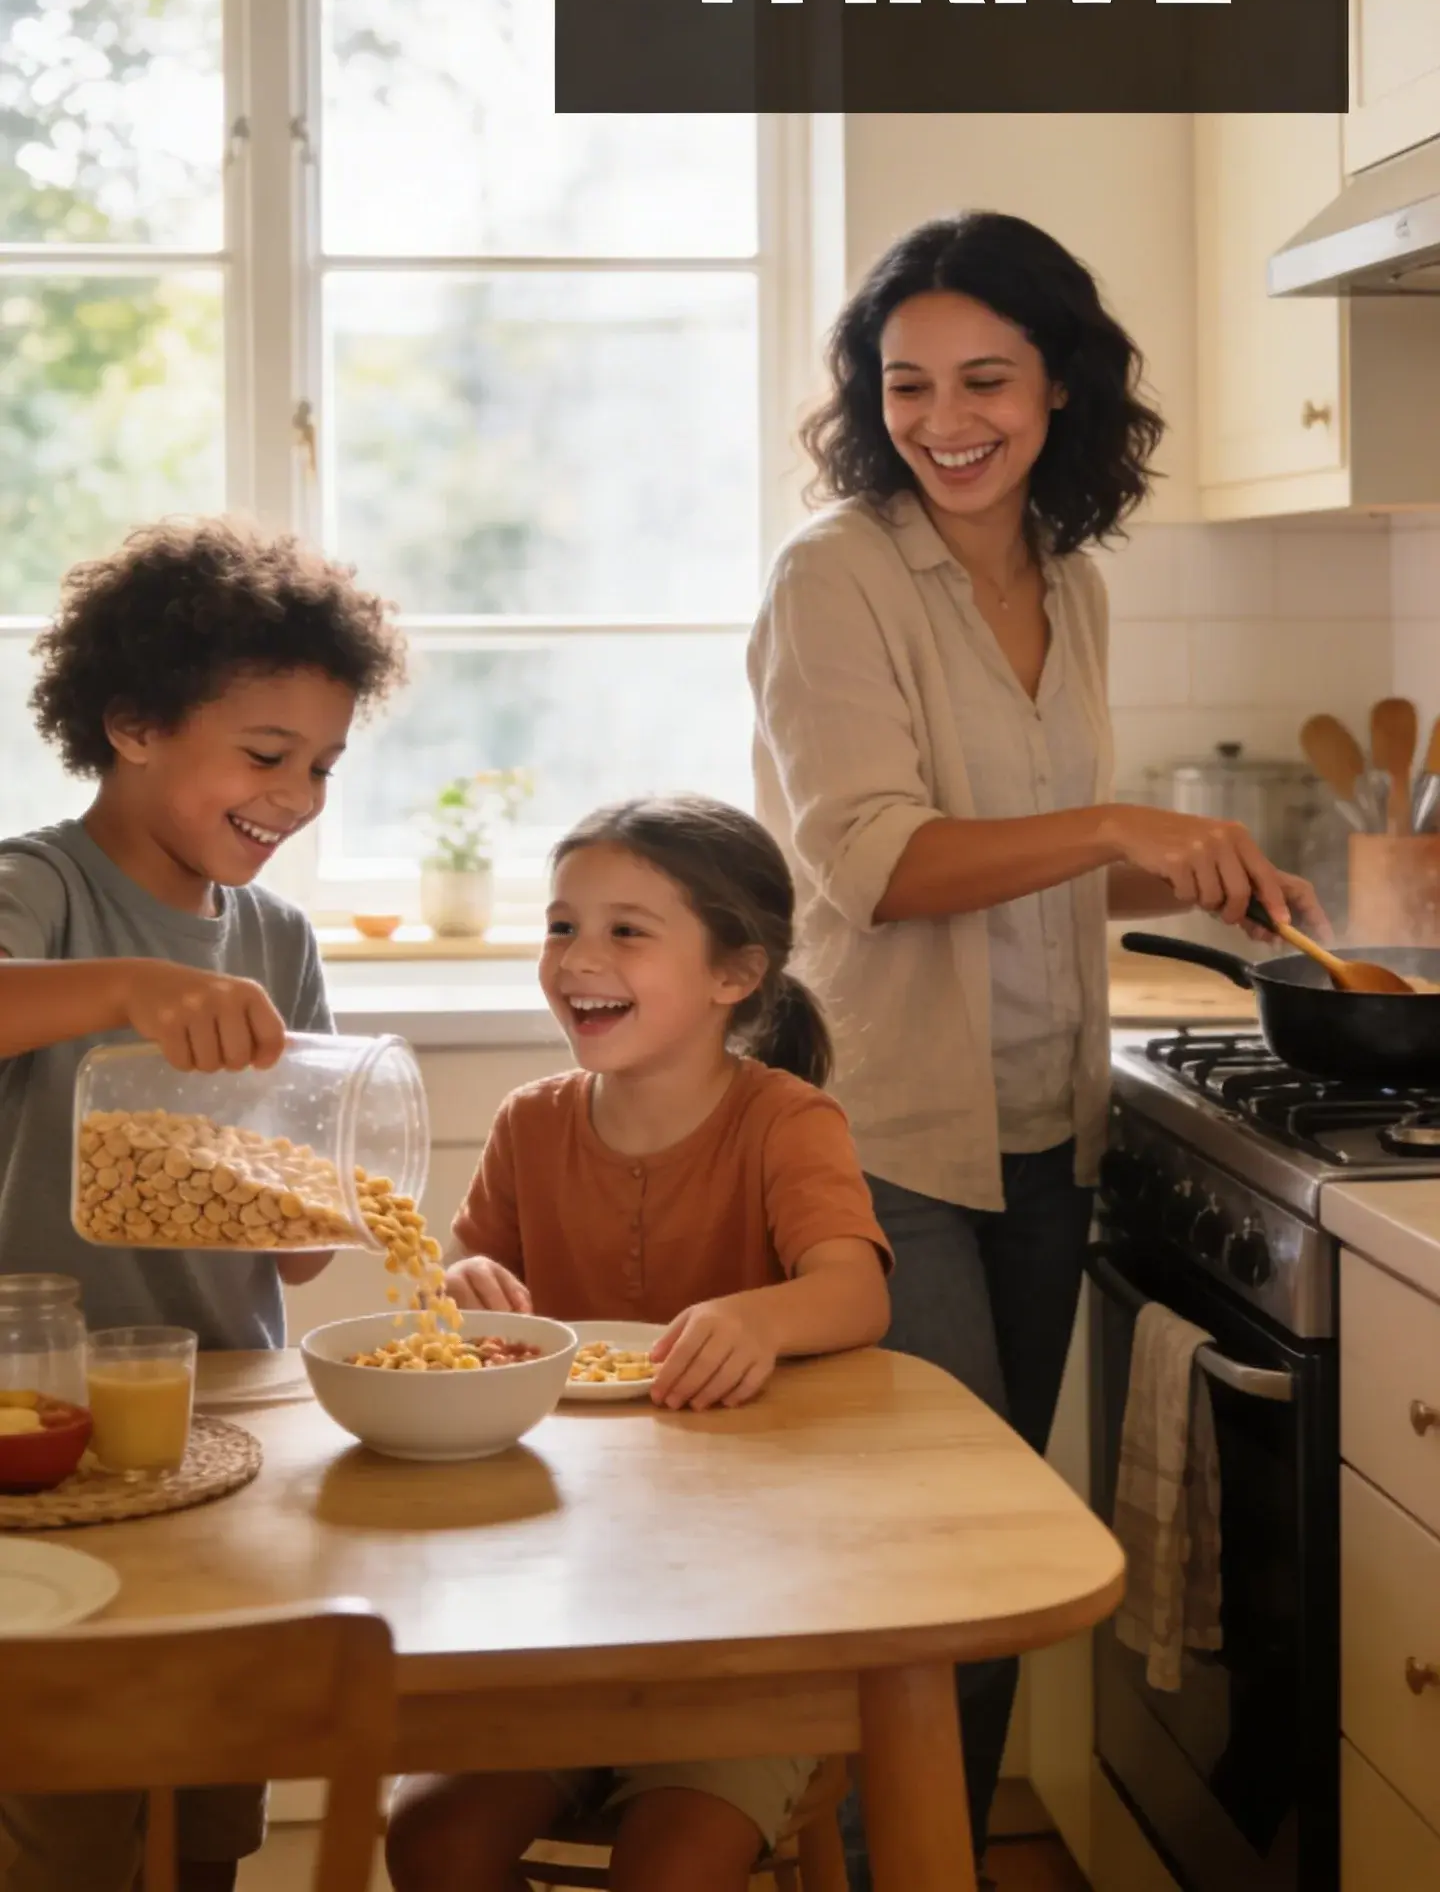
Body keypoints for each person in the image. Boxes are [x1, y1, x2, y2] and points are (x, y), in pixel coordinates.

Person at [746, 211, 1327, 1881]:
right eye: (907, 382)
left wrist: (1208, 872)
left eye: (985, 378)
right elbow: (875, 859)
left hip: (1041, 1130)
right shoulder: (834, 576)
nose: (945, 418)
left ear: (1060, 387)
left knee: (978, 1574)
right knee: (942, 1575)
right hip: (886, 1139)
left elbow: (1042, 842)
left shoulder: (1064, 583)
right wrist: (1116, 824)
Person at [0, 518, 405, 1892]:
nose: (296, 795)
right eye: (266, 754)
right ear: (132, 724)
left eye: (325, 767)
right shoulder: (42, 888)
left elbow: (292, 1245)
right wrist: (126, 990)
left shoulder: (280, 941)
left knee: (208, 1796)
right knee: (68, 1798)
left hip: (231, 1407)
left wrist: (324, 1204)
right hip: (39, 1411)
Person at [386, 794, 892, 1892]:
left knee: (671, 1870)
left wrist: (758, 1314)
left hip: (747, 1626)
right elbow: (462, 1297)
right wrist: (459, 1292)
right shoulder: (531, 1122)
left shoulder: (786, 1122)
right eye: (563, 924)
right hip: (556, 1615)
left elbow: (855, 1292)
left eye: (626, 929)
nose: (578, 957)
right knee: (431, 1843)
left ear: (734, 973)